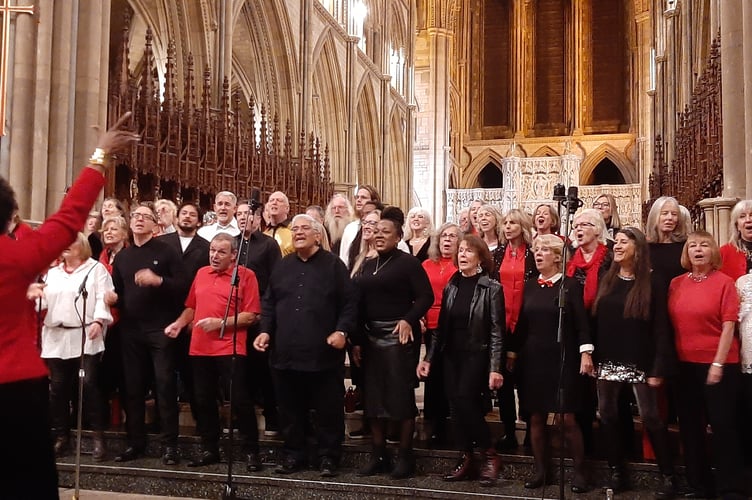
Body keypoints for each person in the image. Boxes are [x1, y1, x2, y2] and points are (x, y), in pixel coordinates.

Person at [0, 112, 137, 500]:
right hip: (15, 385)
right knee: (27, 479)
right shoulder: (14, 257)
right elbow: (67, 219)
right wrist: (100, 155)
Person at [254, 214, 357, 477]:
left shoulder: (334, 265)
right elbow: (269, 303)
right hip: (285, 351)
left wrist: (342, 331)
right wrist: (265, 331)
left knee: (328, 409)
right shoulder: (282, 265)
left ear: (317, 235)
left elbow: (349, 303)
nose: (298, 232)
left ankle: (328, 457)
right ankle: (293, 454)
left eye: (304, 229)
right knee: (289, 408)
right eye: (295, 229)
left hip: (322, 352)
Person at [165, 233, 262, 470]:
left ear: (233, 255)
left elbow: (252, 315)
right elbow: (191, 306)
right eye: (212, 251)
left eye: (221, 252)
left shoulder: (245, 276)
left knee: (239, 399)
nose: (214, 256)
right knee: (203, 400)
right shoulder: (201, 273)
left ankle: (251, 451)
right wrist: (178, 323)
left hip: (230, 347)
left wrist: (221, 323)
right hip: (200, 348)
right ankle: (210, 449)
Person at [592, 227, 676, 496]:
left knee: (651, 417)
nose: (616, 246)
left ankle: (667, 475)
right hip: (609, 359)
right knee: (607, 414)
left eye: (623, 242)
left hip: (642, 360)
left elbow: (662, 327)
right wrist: (592, 356)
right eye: (615, 242)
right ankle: (617, 470)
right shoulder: (608, 278)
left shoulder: (654, 281)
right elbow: (598, 322)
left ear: (638, 249)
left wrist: (658, 367)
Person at [353, 206, 433, 479]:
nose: (378, 235)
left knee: (400, 399)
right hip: (371, 336)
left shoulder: (407, 263)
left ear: (398, 237)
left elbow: (426, 297)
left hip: (400, 336)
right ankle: (378, 455)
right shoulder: (368, 264)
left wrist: (409, 319)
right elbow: (360, 304)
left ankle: (405, 456)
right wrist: (356, 340)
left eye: (385, 232)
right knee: (374, 398)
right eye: (376, 231)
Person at [418, 234, 504, 486]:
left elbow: (497, 330)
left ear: (480, 257)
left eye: (468, 251)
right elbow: (441, 328)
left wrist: (495, 368)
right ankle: (466, 458)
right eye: (461, 251)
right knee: (455, 407)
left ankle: (489, 454)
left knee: (466, 400)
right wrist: (430, 358)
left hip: (476, 353)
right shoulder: (452, 285)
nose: (462, 255)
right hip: (451, 354)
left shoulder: (491, 287)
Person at [509, 234, 592, 493]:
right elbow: (522, 323)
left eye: (545, 250)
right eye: (536, 250)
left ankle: (580, 473)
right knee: (536, 417)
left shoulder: (569, 286)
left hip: (563, 357)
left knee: (567, 418)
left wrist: (586, 353)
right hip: (534, 358)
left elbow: (582, 324)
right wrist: (511, 353)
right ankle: (540, 471)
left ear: (557, 256)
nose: (539, 253)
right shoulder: (531, 286)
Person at [107, 203, 187, 465]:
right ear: (130, 224)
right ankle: (135, 443)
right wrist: (112, 298)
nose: (140, 220)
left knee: (164, 386)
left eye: (146, 217)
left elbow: (183, 287)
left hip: (161, 328)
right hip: (131, 330)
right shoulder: (123, 257)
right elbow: (119, 292)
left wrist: (159, 280)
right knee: (132, 387)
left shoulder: (167, 251)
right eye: (136, 216)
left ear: (155, 225)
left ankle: (169, 445)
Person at [668, 231, 745, 498]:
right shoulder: (676, 283)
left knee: (723, 426)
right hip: (684, 365)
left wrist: (718, 363)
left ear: (713, 252)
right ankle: (698, 484)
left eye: (704, 245)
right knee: (690, 427)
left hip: (719, 364)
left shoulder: (724, 282)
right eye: (692, 245)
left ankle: (731, 487)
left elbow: (729, 325)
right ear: (686, 252)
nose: (698, 249)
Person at [29, 232, 114, 462]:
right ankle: (61, 436)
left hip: (86, 333)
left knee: (88, 385)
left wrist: (98, 320)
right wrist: (31, 294)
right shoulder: (53, 273)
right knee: (57, 389)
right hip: (56, 335)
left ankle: (98, 438)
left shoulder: (95, 269)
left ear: (82, 246)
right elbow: (43, 301)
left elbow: (101, 299)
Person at [566, 208, 612, 453]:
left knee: (609, 396)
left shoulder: (610, 258)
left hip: (605, 330)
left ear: (597, 229)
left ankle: (614, 450)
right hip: (579, 332)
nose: (579, 229)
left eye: (585, 224)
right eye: (576, 225)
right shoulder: (570, 259)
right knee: (582, 394)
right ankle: (588, 449)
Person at [158, 202, 209, 420]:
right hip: (163, 315)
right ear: (177, 218)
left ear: (199, 221)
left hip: (193, 315)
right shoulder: (160, 243)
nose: (187, 217)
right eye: (183, 214)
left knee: (194, 374)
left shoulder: (206, 246)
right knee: (162, 374)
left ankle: (201, 421)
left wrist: (195, 316)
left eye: (192, 215)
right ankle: (163, 422)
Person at [235, 200, 282, 437]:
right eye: (240, 214)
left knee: (264, 368)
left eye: (249, 213)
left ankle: (272, 415)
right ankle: (239, 417)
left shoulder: (268, 245)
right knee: (238, 369)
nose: (244, 217)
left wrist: (266, 313)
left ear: (258, 217)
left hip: (260, 312)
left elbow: (276, 280)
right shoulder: (231, 243)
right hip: (234, 314)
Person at [496, 208, 536, 450]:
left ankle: (532, 433)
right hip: (501, 325)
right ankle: (508, 432)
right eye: (505, 223)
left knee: (527, 382)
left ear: (522, 227)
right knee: (503, 383)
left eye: (512, 223)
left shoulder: (531, 254)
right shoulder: (498, 253)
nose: (508, 227)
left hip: (527, 324)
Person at [419, 222, 460, 445]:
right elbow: (420, 294)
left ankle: (450, 425)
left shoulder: (461, 265)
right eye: (444, 235)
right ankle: (433, 424)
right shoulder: (427, 264)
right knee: (433, 376)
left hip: (453, 327)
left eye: (452, 236)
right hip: (431, 324)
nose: (447, 240)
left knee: (449, 375)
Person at [339, 184, 381, 266]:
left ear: (374, 201)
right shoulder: (350, 228)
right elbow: (344, 258)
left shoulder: (381, 227)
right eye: (357, 197)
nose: (359, 200)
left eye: (363, 197)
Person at [719, 199, 752, 281]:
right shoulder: (724, 252)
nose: (748, 220)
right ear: (737, 226)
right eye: (742, 216)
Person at [264, 191, 294, 256]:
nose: (274, 202)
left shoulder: (293, 230)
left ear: (287, 208)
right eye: (271, 200)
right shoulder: (265, 233)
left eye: (279, 200)